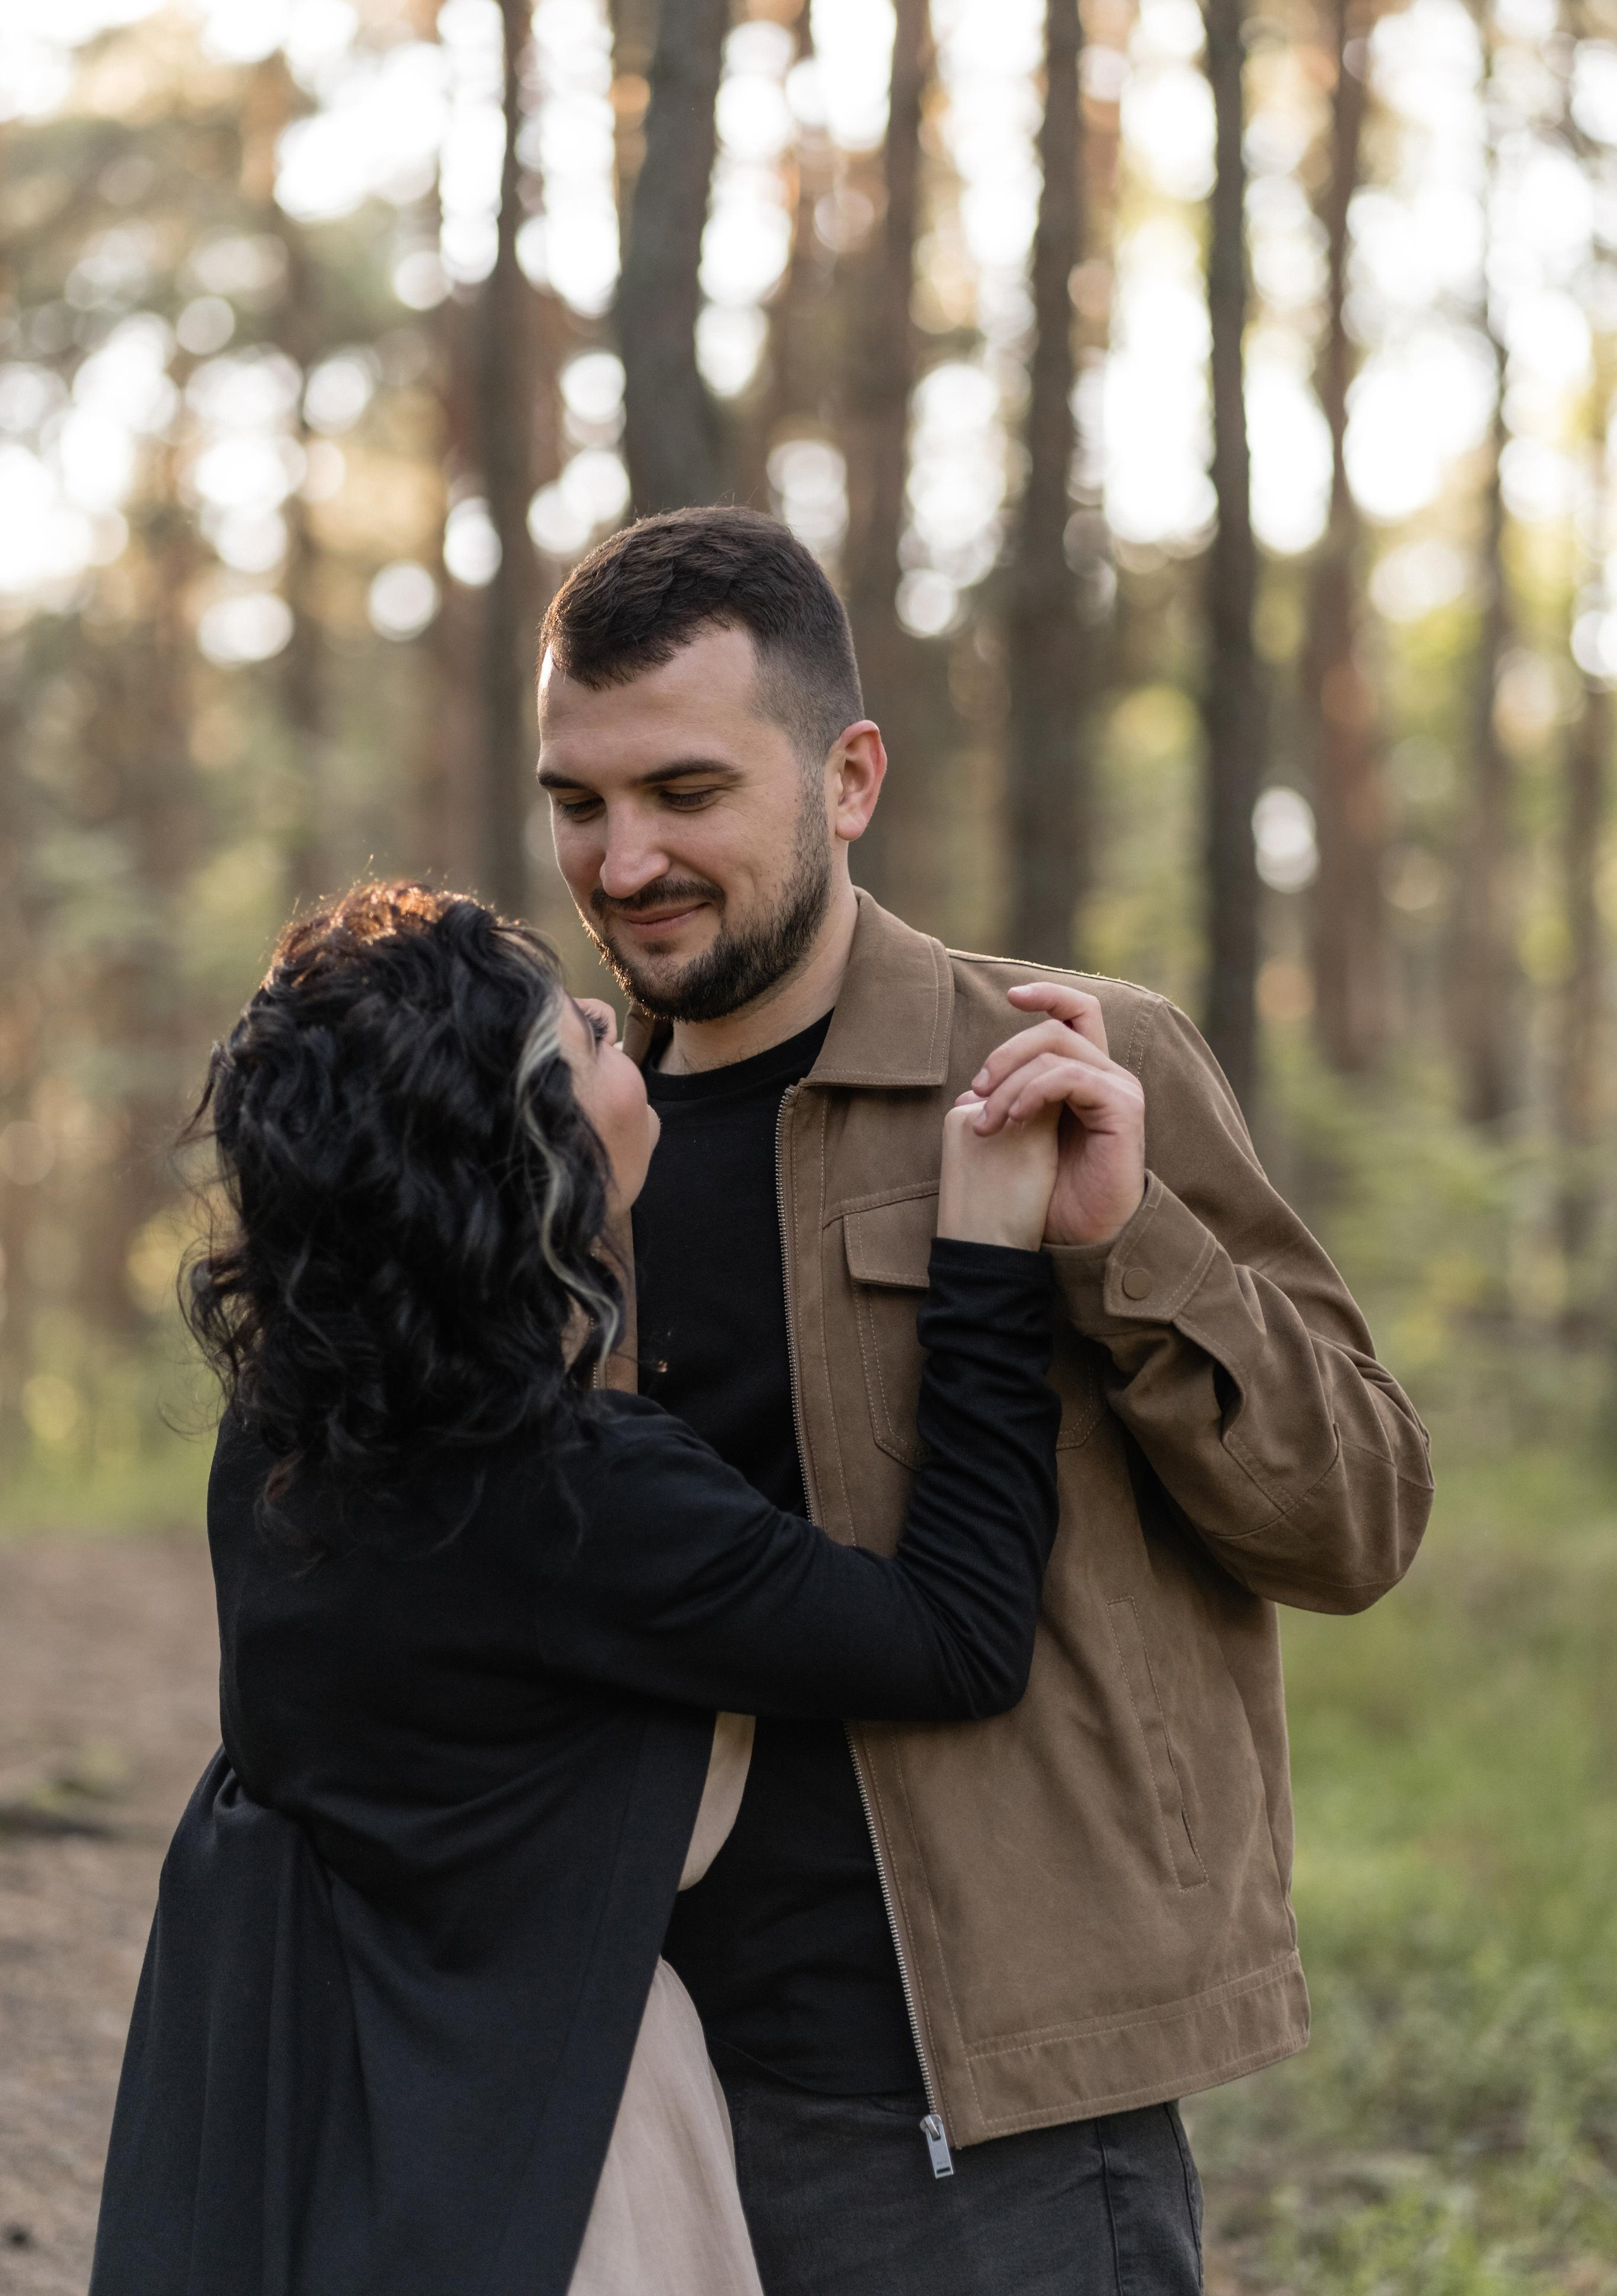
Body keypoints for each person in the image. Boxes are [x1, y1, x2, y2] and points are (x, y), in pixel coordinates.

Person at [535, 505, 1436, 2296]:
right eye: (580, 802)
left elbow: (1357, 1521)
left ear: (849, 775)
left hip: (982, 2128)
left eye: (687, 795)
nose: (624, 861)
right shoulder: (554, 1136)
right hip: (623, 2090)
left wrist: (1127, 1241)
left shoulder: (1081, 1062)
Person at [88, 881, 1074, 2296]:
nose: (620, 1021)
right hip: (549, 2166)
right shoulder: (576, 1503)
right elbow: (958, 1640)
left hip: (329, 2122)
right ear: (524, 1163)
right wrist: (986, 1258)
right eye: (585, 1045)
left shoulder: (281, 1436)